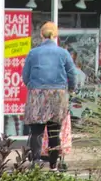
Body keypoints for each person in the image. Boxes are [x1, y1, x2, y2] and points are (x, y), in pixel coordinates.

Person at [20, 21, 80, 169]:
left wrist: (33, 87)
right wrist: (70, 89)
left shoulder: (33, 53)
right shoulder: (63, 53)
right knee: (54, 131)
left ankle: (35, 161)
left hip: (37, 95)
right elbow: (72, 74)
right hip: (57, 95)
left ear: (41, 35)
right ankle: (53, 165)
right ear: (55, 35)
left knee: (36, 132)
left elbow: (25, 75)